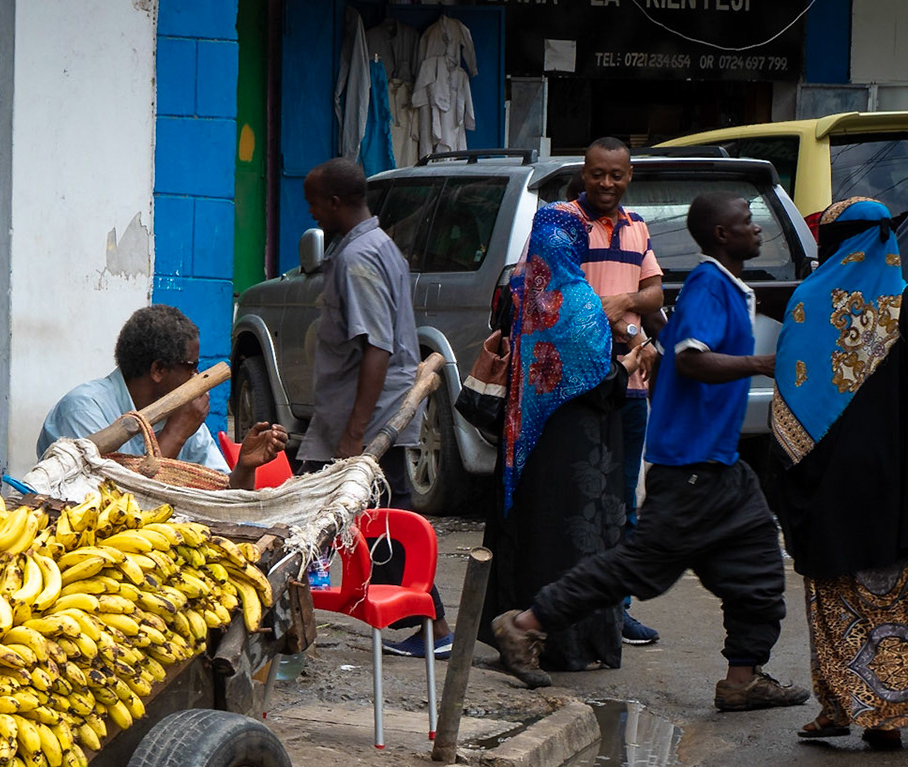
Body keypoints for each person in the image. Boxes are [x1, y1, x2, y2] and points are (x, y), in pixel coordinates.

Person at [494, 193, 810, 713]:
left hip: (720, 464)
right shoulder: (711, 285)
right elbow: (690, 363)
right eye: (747, 223)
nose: (757, 230)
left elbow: (668, 353)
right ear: (722, 236)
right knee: (634, 568)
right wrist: (761, 363)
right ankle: (524, 624)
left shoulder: (726, 287)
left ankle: (743, 678)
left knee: (758, 568)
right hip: (689, 466)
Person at [769, 198, 908, 749]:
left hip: (829, 478)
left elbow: (791, 396)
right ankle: (889, 711)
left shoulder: (808, 303)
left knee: (833, 592)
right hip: (896, 480)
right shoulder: (903, 305)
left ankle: (839, 706)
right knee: (894, 592)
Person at [299, 157, 450, 660]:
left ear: (336, 203)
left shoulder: (358, 257)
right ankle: (428, 621)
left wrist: (355, 431)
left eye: (315, 203)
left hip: (363, 416)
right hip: (369, 411)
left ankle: (429, 621)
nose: (313, 213)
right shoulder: (380, 245)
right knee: (381, 519)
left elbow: (377, 347)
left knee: (328, 515)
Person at [480, 202, 634, 687]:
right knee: (571, 542)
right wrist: (630, 362)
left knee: (529, 534)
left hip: (523, 444)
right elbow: (602, 384)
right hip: (577, 448)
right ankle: (567, 644)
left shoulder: (518, 294)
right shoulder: (580, 302)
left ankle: (517, 628)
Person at [576, 136, 668, 645]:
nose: (607, 184)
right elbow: (560, 300)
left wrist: (628, 305)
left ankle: (617, 611)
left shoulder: (637, 227)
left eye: (616, 175)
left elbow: (654, 292)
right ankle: (569, 610)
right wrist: (634, 331)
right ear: (584, 173)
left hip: (630, 387)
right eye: (598, 174)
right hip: (578, 388)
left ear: (629, 176)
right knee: (577, 497)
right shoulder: (563, 222)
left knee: (623, 503)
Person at [37, 304, 285, 488]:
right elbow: (115, 506)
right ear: (158, 370)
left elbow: (223, 500)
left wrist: (244, 467)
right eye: (191, 366)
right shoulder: (83, 409)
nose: (196, 376)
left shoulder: (183, 415)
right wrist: (175, 433)